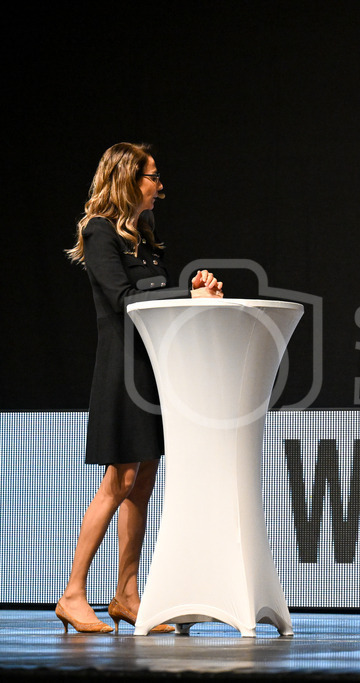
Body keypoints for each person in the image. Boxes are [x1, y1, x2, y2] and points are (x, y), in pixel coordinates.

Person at [58, 142, 223, 634]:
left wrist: (199, 291)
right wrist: (186, 292)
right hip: (122, 369)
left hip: (155, 370)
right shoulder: (99, 231)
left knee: (143, 482)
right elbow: (125, 299)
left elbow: (158, 301)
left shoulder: (145, 236)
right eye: (153, 177)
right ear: (129, 180)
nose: (160, 186)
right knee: (119, 480)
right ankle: (72, 594)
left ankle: (126, 595)